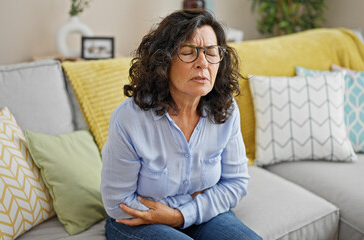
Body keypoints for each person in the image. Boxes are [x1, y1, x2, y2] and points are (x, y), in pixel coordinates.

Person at [100, 9, 261, 240]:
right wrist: (172, 213)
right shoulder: (129, 119)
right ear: (163, 61)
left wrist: (179, 215)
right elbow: (118, 202)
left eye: (211, 53)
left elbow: (235, 183)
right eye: (188, 52)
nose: (203, 63)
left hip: (200, 213)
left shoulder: (226, 109)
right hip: (136, 222)